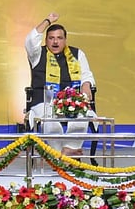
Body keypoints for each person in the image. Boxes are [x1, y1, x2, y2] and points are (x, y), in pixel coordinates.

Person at [24, 13, 95, 157]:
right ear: (46, 40)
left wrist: (86, 84)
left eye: (59, 38)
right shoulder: (37, 54)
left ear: (65, 40)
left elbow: (86, 74)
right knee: (51, 122)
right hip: (43, 101)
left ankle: (68, 151)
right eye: (51, 38)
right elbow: (31, 40)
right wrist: (47, 21)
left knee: (81, 117)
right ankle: (60, 156)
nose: (55, 42)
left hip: (71, 101)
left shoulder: (77, 54)